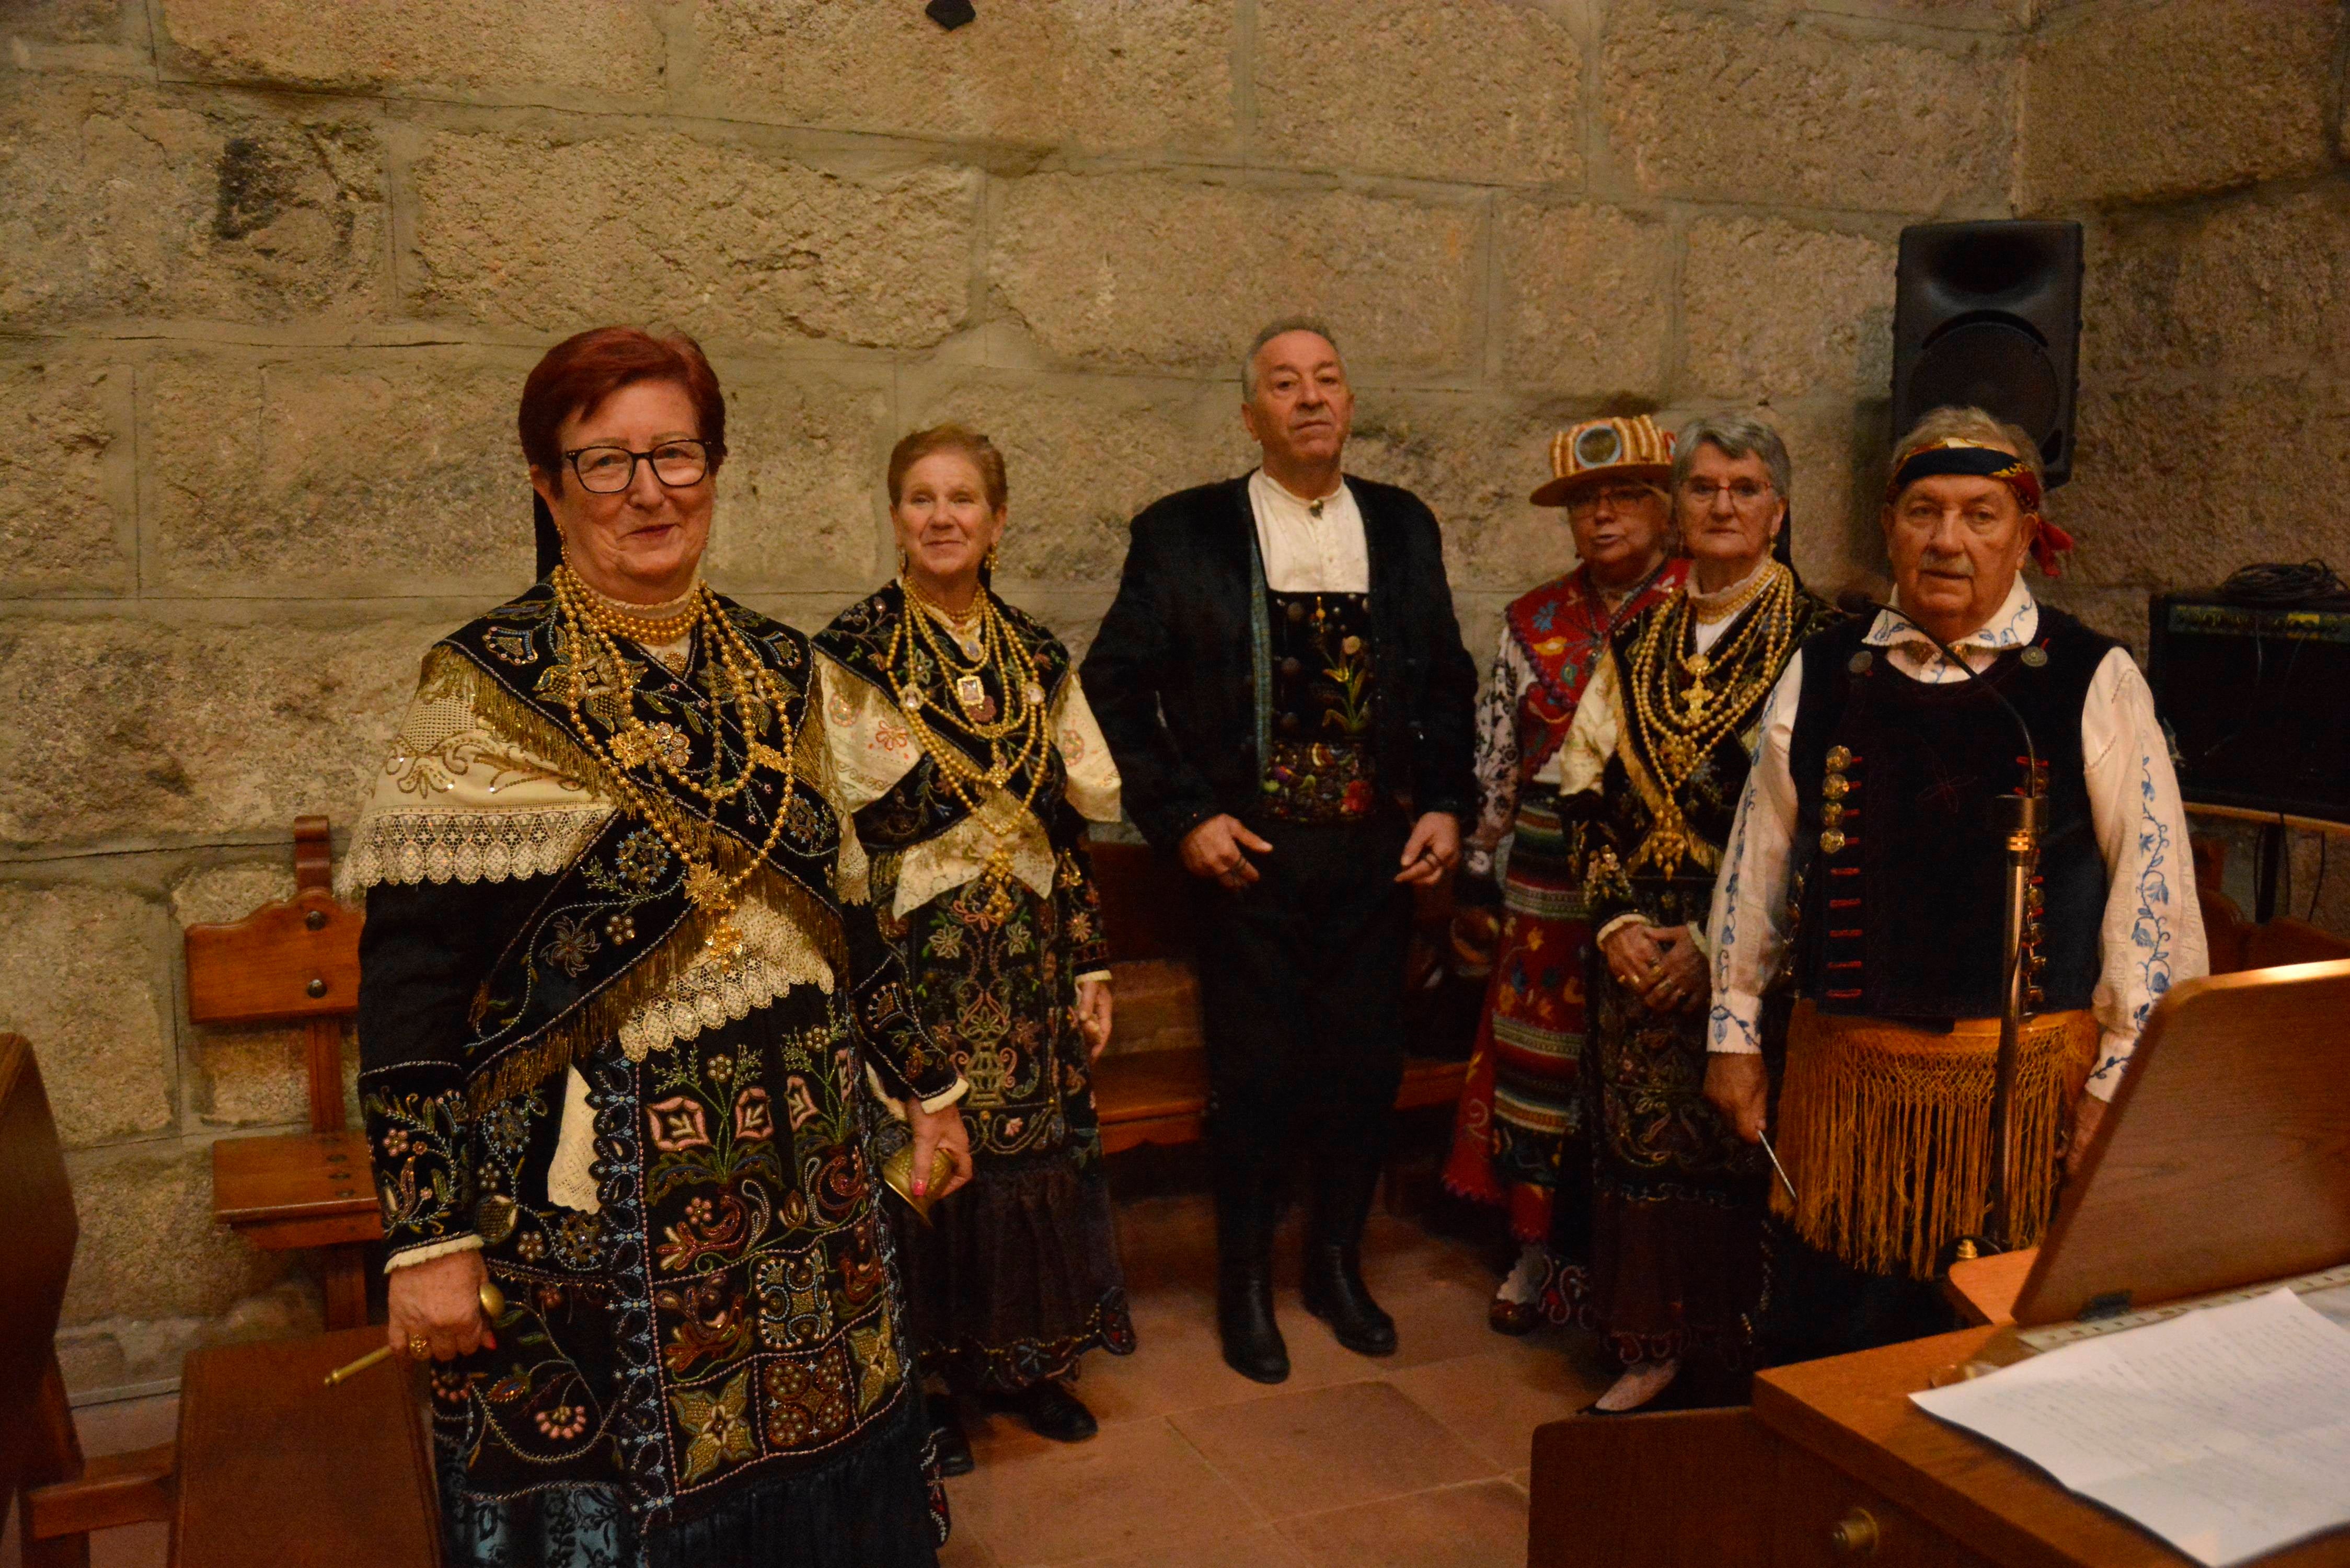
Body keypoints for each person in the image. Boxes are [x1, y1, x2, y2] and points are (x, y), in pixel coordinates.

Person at [352, 326, 972, 1568]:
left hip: (810, 1185)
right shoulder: (481, 689)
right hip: (599, 1205)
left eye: (675, 456)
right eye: (605, 462)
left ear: (715, 466)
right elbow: (412, 984)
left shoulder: (792, 672)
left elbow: (853, 914)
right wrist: (428, 1235)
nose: (648, 492)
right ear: (547, 485)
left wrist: (931, 1090)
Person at [1703, 406, 2208, 1364]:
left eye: (1980, 515)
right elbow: (1757, 859)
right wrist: (1732, 1031)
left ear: (2028, 534)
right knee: (1834, 1341)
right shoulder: (1823, 672)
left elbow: (2156, 897)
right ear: (1887, 525)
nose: (1947, 541)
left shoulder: (2092, 678)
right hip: (1848, 1089)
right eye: (1924, 511)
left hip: (2024, 1098)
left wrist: (2119, 1084)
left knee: (1995, 1352)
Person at [1080, 318, 1479, 1383]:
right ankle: (1244, 1286)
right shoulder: (1183, 533)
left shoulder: (1402, 527)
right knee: (1255, 1082)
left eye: (1328, 381)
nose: (1309, 400)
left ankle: (1337, 1271)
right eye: (1283, 385)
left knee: (1360, 1073)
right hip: (1246, 861)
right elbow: (1112, 685)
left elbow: (1446, 679)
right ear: (1249, 413)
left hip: (1375, 859)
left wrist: (1444, 804)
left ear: (1350, 404)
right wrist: (1185, 817)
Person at [813, 425, 1135, 1474]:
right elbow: (838, 836)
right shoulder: (853, 650)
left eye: (962, 499)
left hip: (1028, 962)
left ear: (998, 522)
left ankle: (1021, 1362)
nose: (941, 516)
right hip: (917, 959)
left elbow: (1073, 826)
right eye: (919, 498)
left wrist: (1088, 959)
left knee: (1024, 1158)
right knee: (927, 1159)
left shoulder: (1038, 656)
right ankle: (928, 1386)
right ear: (895, 514)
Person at [1549, 412, 1842, 1412]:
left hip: (1762, 953)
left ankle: (1750, 1354)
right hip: (1639, 948)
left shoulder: (1828, 646)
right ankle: (1651, 1343)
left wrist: (1725, 951)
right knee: (1642, 1144)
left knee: (1747, 1146)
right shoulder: (1636, 642)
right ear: (1676, 508)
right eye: (1705, 486)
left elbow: (1827, 830)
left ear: (1778, 512)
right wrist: (1616, 922)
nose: (1723, 505)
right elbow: (1579, 792)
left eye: (1746, 488)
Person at [1442, 416, 1689, 1335]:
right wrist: (1477, 868)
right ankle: (1535, 1252)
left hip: (1662, 857)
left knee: (1639, 1061)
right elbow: (1497, 757)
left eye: (1625, 496)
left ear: (1665, 508)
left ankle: (1628, 1269)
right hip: (1547, 866)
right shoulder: (1534, 621)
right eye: (1587, 503)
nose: (1604, 517)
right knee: (1540, 1060)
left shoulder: (1702, 607)